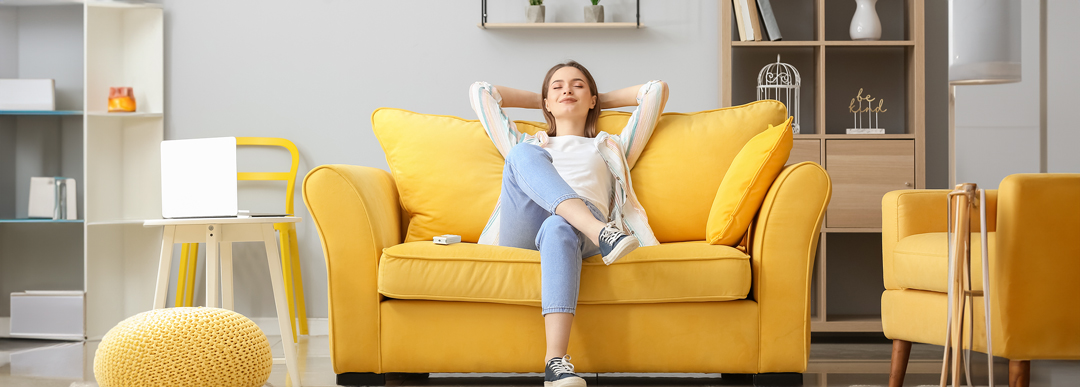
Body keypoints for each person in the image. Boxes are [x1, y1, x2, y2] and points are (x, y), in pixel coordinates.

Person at [469, 60, 668, 387]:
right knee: (520, 155)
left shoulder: (611, 146)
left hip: (571, 235)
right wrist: (543, 100)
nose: (567, 90)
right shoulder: (530, 143)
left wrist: (596, 97)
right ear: (546, 102)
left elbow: (655, 91)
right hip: (529, 225)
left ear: (592, 100)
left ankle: (555, 363)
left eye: (577, 85)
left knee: (559, 226)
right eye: (557, 86)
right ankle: (600, 232)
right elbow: (481, 93)